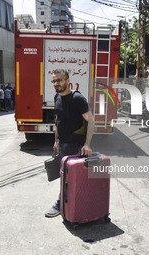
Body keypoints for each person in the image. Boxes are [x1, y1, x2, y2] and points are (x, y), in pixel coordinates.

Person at [45, 69, 95, 218]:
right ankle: (73, 202)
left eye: (59, 80)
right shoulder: (57, 97)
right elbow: (58, 121)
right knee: (66, 176)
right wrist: (56, 141)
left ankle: (60, 204)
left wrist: (87, 144)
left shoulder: (77, 98)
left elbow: (90, 121)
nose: (56, 83)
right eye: (54, 80)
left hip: (75, 145)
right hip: (62, 144)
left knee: (68, 177)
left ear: (68, 80)